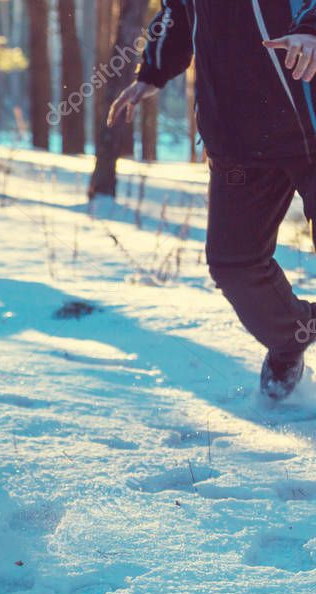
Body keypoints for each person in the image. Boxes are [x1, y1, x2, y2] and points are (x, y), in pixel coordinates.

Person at [110, 1, 316, 400]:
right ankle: (292, 337)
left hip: (311, 116)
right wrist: (153, 71)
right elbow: (179, 13)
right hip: (239, 137)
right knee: (234, 263)